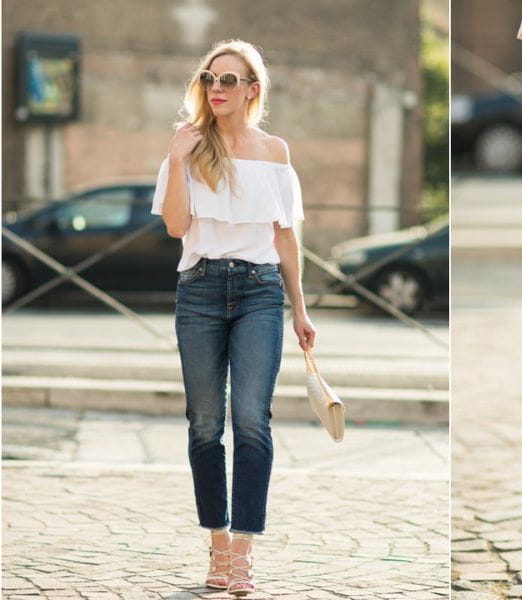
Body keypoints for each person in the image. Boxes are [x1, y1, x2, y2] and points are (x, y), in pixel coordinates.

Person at [150, 39, 316, 596]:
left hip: (259, 292)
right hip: (198, 291)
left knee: (251, 418)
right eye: (208, 79)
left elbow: (286, 237)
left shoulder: (275, 152)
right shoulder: (188, 147)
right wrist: (176, 158)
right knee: (204, 424)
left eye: (228, 80)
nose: (216, 88)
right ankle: (216, 544)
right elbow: (175, 227)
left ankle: (242, 551)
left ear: (253, 89)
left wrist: (301, 308)